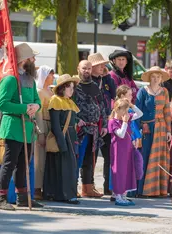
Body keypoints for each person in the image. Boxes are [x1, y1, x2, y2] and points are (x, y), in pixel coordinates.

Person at [0, 43, 43, 210]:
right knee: (9, 163)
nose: (34, 60)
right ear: (24, 60)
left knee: (24, 163)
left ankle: (22, 198)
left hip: (27, 128)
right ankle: (1, 198)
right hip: (14, 126)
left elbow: (37, 100)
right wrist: (24, 108)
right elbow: (2, 104)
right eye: (32, 57)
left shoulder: (30, 79)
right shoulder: (10, 79)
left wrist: (36, 106)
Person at [43, 74, 80, 204]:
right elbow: (55, 125)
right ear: (62, 88)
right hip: (62, 138)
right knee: (61, 167)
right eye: (69, 87)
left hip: (70, 137)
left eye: (72, 88)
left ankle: (67, 194)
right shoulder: (55, 100)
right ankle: (63, 195)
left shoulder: (70, 102)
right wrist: (62, 143)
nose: (72, 90)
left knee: (69, 167)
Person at [136, 66, 172, 197]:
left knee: (158, 159)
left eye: (158, 77)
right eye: (153, 77)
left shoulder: (165, 91)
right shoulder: (143, 91)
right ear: (149, 78)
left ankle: (158, 190)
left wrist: (168, 130)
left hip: (161, 129)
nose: (156, 79)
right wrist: (138, 129)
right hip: (147, 129)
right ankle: (142, 190)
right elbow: (137, 111)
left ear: (161, 78)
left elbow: (167, 112)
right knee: (144, 156)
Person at [74, 60, 107, 198]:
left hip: (94, 130)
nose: (86, 71)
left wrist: (104, 124)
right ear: (78, 69)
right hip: (79, 130)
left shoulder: (94, 86)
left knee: (90, 160)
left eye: (88, 68)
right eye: (84, 68)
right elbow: (68, 106)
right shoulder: (74, 85)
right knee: (77, 159)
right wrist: (75, 120)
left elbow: (102, 106)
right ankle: (72, 187)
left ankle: (88, 188)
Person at [89, 52, 116, 195]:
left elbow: (114, 93)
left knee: (108, 155)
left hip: (106, 121)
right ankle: (89, 185)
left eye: (103, 65)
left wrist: (106, 76)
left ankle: (108, 186)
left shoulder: (105, 79)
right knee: (91, 156)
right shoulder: (88, 80)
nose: (102, 67)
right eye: (99, 65)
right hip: (93, 122)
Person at [110, 85, 143, 200]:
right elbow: (121, 134)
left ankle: (123, 194)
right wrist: (124, 122)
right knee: (118, 171)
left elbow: (140, 114)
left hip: (127, 149)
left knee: (127, 171)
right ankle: (117, 194)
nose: (131, 96)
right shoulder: (113, 122)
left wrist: (132, 105)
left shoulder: (128, 116)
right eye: (129, 95)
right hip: (118, 150)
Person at [34, 65, 54, 200]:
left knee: (47, 159)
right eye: (50, 74)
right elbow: (38, 113)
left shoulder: (51, 92)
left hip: (51, 126)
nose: (53, 77)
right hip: (43, 125)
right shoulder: (40, 92)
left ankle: (47, 187)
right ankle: (36, 188)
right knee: (39, 159)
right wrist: (40, 132)